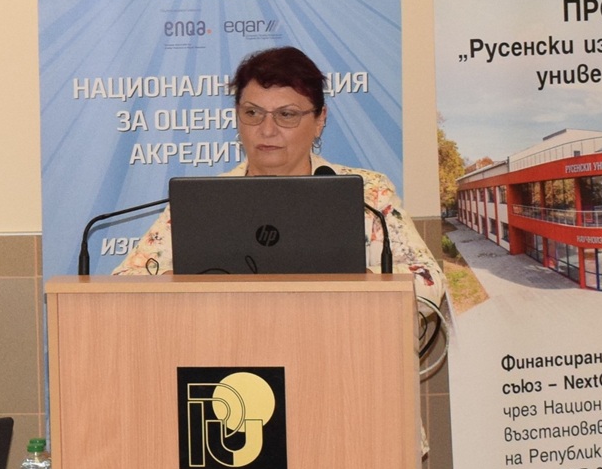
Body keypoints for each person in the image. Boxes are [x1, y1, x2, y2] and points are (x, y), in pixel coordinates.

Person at [110, 46, 447, 314]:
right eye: (253, 113)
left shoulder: (368, 195)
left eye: (286, 115)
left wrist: (355, 285)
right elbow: (124, 282)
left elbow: (429, 283)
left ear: (319, 120)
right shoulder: (207, 200)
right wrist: (177, 285)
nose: (267, 130)